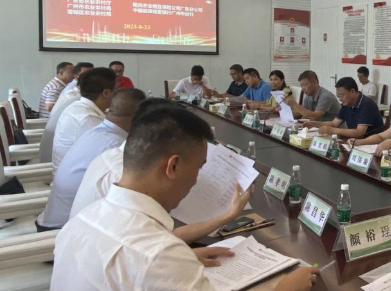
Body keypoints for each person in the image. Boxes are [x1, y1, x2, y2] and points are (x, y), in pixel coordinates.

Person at [52, 105, 318, 290]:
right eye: (200, 167)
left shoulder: (83, 220)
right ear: (173, 166)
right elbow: (152, 256)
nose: (197, 179)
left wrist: (184, 255)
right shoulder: (161, 256)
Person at [69, 98, 256, 244]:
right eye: (199, 166)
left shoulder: (116, 157)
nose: (196, 179)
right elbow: (165, 239)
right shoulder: (126, 177)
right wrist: (228, 215)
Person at [36, 88, 147, 231]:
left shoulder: (96, 131)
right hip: (61, 229)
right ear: (139, 118)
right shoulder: (115, 147)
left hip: (56, 217)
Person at [52, 68, 116, 173]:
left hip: (68, 172)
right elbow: (109, 157)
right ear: (106, 93)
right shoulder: (88, 119)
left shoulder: (76, 106)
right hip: (76, 179)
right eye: (116, 90)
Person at [39, 63, 94, 164]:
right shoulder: (72, 96)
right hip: (50, 142)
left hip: (53, 140)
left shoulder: (70, 89)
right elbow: (48, 107)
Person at [304, 77, 383, 138]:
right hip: (355, 141)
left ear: (352, 91)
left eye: (341, 95)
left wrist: (332, 130)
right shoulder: (347, 104)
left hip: (372, 143)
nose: (340, 99)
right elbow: (334, 123)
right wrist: (314, 124)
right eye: (338, 96)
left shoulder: (366, 104)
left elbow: (359, 132)